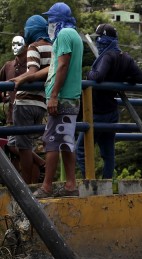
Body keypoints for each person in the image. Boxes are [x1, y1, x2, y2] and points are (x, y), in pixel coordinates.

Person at [14, 3, 82, 198]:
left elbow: (62, 66)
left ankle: (46, 187)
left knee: (51, 142)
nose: (49, 23)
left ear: (58, 19)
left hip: (61, 98)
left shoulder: (63, 35)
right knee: (66, 143)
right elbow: (54, 65)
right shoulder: (74, 35)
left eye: (51, 19)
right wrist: (29, 77)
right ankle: (70, 185)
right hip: (71, 97)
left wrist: (53, 96)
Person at [76, 23, 142, 179]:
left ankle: (90, 182)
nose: (97, 43)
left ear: (103, 40)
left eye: (98, 39)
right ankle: (107, 183)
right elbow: (141, 78)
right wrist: (121, 79)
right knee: (108, 154)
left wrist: (89, 74)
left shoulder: (108, 56)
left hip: (97, 112)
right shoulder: (124, 57)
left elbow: (98, 76)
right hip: (112, 113)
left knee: (81, 150)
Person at [11, 15, 52, 185]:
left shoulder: (33, 47)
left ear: (32, 30)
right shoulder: (53, 47)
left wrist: (14, 81)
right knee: (30, 145)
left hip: (25, 101)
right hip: (41, 102)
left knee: (24, 147)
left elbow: (32, 71)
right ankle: (34, 182)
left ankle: (25, 187)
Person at [0, 35, 27, 170]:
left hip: (28, 111)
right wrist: (3, 96)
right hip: (12, 113)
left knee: (25, 147)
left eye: (19, 44)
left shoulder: (31, 66)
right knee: (13, 150)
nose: (16, 47)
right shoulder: (8, 66)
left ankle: (39, 165)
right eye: (13, 44)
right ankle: (40, 163)